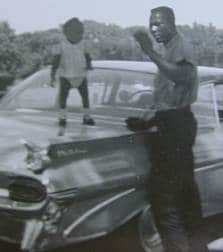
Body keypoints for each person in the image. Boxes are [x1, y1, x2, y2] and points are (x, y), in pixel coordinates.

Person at [128, 6, 207, 252]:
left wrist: (149, 51)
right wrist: (149, 121)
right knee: (185, 194)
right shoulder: (170, 48)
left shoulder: (180, 47)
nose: (154, 28)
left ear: (171, 23)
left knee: (164, 198)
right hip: (172, 122)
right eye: (151, 24)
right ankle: (196, 247)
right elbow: (170, 97)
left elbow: (181, 77)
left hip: (177, 126)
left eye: (159, 24)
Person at [50, 17, 95, 136]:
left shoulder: (84, 43)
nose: (79, 34)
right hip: (65, 75)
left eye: (81, 32)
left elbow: (87, 55)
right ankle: (63, 117)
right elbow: (55, 60)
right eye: (77, 32)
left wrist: (89, 64)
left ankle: (87, 116)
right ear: (67, 32)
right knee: (63, 97)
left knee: (85, 96)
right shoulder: (60, 45)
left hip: (81, 74)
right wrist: (52, 75)